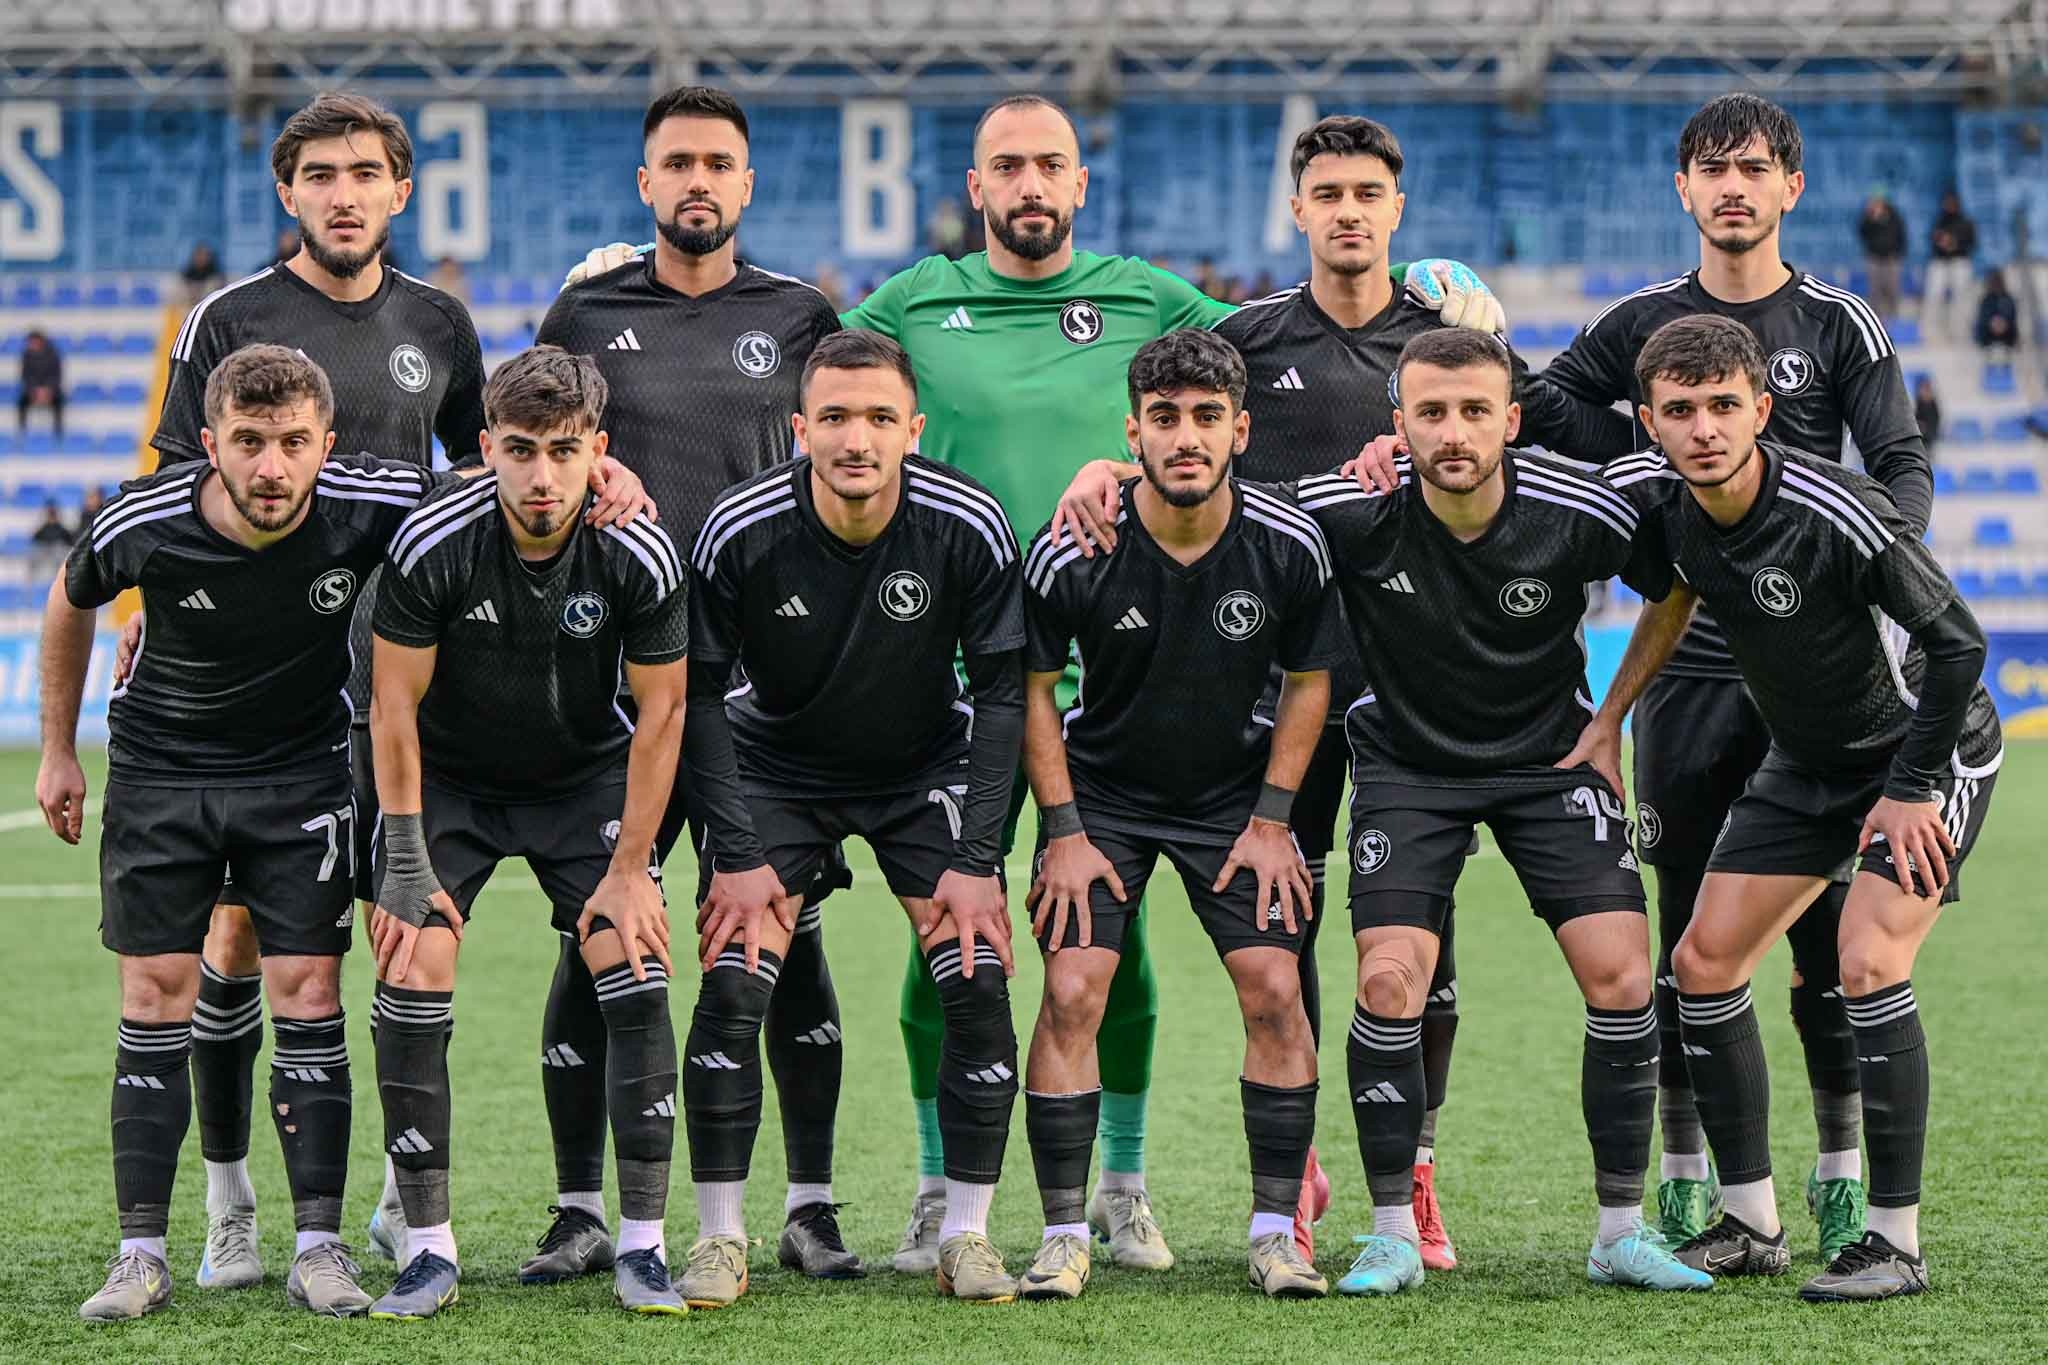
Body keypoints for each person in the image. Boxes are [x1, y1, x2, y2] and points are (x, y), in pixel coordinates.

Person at [562, 91, 1505, 1273]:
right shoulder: (909, 301)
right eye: (1005, 166)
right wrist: (626, 288)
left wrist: (1421, 285)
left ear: (1078, 182)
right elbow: (771, 350)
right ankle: (933, 1191)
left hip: (1091, 673)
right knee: (948, 939)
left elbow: (1287, 338)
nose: (1027, 184)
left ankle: (1121, 1186)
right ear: (975, 186)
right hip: (935, 675)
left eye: (1048, 164)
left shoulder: (1146, 296)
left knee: (1110, 941)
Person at [1052, 114, 1635, 1266]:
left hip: (1416, 692)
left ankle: (1412, 1171)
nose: (1348, 212)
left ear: (1395, 209)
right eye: (1326, 194)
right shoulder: (1246, 335)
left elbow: (1542, 443)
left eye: (1367, 193)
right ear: (1297, 210)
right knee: (1289, 924)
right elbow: (1189, 445)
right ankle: (1306, 1168)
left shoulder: (1446, 341)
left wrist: (1498, 357)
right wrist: (1105, 466)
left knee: (1423, 947)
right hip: (1279, 692)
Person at [1468, 92, 1929, 1260]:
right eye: (1710, 169)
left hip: (1810, 677)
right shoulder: (1639, 321)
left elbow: (1898, 465)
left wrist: (1876, 589)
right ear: (1680, 188)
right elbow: (1545, 408)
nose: (1731, 186)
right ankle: (1693, 1184)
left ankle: (1838, 1179)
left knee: (1826, 949)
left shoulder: (1837, 323)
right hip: (1684, 666)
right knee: (1685, 933)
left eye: (1752, 167)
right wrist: (1640, 452)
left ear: (1789, 187)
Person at [37, 346, 463, 1323]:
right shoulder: (144, 518)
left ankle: (319, 1249)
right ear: (210, 442)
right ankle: (141, 1254)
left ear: (328, 444)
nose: (272, 466)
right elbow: (70, 597)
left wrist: (607, 479)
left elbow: (490, 492)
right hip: (162, 774)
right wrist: (58, 750)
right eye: (249, 442)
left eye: (293, 443)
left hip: (298, 774)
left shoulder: (372, 500)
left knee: (308, 988)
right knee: (155, 993)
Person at [145, 90, 489, 1280]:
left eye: (366, 173)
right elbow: (175, 488)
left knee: (404, 925)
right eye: (322, 176)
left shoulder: (439, 322)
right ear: (287, 191)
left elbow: (482, 476)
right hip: (262, 685)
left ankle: (396, 1195)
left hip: (400, 681)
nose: (345, 195)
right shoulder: (229, 319)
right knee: (242, 937)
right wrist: (156, 623)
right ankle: (229, 1202)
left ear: (401, 189)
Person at [1286, 328, 1707, 1298]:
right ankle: (1391, 1233)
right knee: (1389, 979)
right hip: (1407, 764)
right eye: (1430, 412)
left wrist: (1611, 716)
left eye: (1474, 410)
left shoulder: (1575, 506)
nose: (1453, 432)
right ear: (1398, 423)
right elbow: (1228, 509)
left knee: (1621, 975)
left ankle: (1619, 1231)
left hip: (1547, 760)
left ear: (1511, 420)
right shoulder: (1353, 506)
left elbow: (1676, 580)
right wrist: (1107, 473)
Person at [1596, 314, 2002, 1302]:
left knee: (1865, 960)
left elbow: (1957, 643)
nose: (1703, 428)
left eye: (1722, 405)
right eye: (1680, 410)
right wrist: (1609, 716)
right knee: (1701, 964)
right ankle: (1750, 1223)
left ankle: (1893, 1244)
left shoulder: (1838, 508)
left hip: (1926, 750)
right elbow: (1671, 594)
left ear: (1761, 409)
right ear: (1649, 421)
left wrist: (1910, 790)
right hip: (1809, 761)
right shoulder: (1671, 507)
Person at [535, 84, 858, 1282]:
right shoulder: (584, 310)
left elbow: (846, 448)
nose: (697, 182)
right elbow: (534, 441)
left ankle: (809, 1205)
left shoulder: (800, 313)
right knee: (598, 928)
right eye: (676, 163)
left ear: (746, 184)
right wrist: (596, 470)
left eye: (718, 164)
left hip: (757, 681)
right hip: (614, 675)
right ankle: (579, 1209)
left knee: (781, 927)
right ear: (645, 183)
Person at [680, 330, 1026, 1306]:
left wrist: (978, 859)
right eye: (833, 417)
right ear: (800, 430)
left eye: (878, 417)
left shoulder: (967, 523)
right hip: (775, 764)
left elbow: (1002, 695)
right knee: (735, 976)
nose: (855, 438)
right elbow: (697, 696)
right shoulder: (740, 526)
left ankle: (965, 1234)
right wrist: (735, 852)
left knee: (975, 972)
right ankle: (719, 1237)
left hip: (921, 767)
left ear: (914, 430)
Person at [363, 346, 690, 1321]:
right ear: (486, 447)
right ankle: (426, 1248)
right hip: (451, 781)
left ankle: (643, 1245)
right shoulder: (434, 541)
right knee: (414, 956)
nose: (541, 475)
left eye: (562, 450)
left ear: (598, 448)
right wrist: (406, 859)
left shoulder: (637, 550)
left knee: (631, 955)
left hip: (581, 777)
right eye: (520, 450)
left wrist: (630, 869)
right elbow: (391, 705)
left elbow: (663, 713)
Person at [1018, 330, 1340, 1302]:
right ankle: (1063, 1235)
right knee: (1073, 989)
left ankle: (1276, 1235)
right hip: (1103, 795)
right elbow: (1033, 690)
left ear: (1240, 430)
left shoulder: (1286, 543)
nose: (1185, 437)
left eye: (1206, 417)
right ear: (1133, 433)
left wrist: (1274, 819)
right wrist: (1062, 831)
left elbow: (1310, 680)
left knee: (1275, 990)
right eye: (1164, 418)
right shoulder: (1076, 545)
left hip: (1232, 800)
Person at [1923, 192, 1976, 338]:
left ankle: (1961, 331)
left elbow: (1971, 242)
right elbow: (1933, 240)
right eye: (1947, 203)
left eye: (1952, 203)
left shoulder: (1965, 222)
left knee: (1961, 297)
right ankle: (1933, 331)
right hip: (1940, 262)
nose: (1949, 206)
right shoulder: (1939, 222)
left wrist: (1954, 244)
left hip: (1960, 261)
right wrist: (1942, 243)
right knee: (1934, 295)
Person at [1858, 192, 1907, 318]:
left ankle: (1894, 318)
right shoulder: (1869, 217)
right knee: (1875, 291)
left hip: (1891, 258)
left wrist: (1898, 254)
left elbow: (1901, 236)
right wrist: (1871, 219)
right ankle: (1876, 318)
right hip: (1874, 258)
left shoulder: (1894, 217)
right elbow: (1862, 233)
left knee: (1892, 290)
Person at [17, 330, 64, 437]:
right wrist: (35, 390)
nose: (30, 344)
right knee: (21, 402)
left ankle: (58, 433)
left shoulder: (54, 354)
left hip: (50, 390)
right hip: (33, 390)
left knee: (59, 402)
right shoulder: (26, 355)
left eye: (33, 342)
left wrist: (48, 390)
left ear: (40, 341)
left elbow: (56, 375)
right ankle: (22, 432)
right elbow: (25, 376)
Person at [1974, 268, 2019, 358]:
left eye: (1998, 281)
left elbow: (2012, 315)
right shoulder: (1986, 299)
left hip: (2007, 334)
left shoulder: (2008, 298)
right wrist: (1992, 323)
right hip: (1988, 335)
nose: (1996, 284)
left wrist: (2004, 323)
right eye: (1994, 281)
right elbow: (1983, 316)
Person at [29, 499, 73, 579]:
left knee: (59, 552)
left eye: (52, 515)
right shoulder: (43, 527)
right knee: (34, 555)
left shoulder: (61, 528)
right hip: (44, 551)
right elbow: (35, 538)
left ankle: (60, 578)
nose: (51, 518)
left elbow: (69, 540)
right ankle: (32, 579)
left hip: (57, 552)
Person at [1914, 376, 1941, 455]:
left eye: (1927, 389)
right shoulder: (1919, 403)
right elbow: (1916, 418)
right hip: (1920, 437)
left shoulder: (1933, 405)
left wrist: (1927, 429)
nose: (1924, 392)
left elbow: (1936, 422)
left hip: (1929, 438)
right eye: (1923, 389)